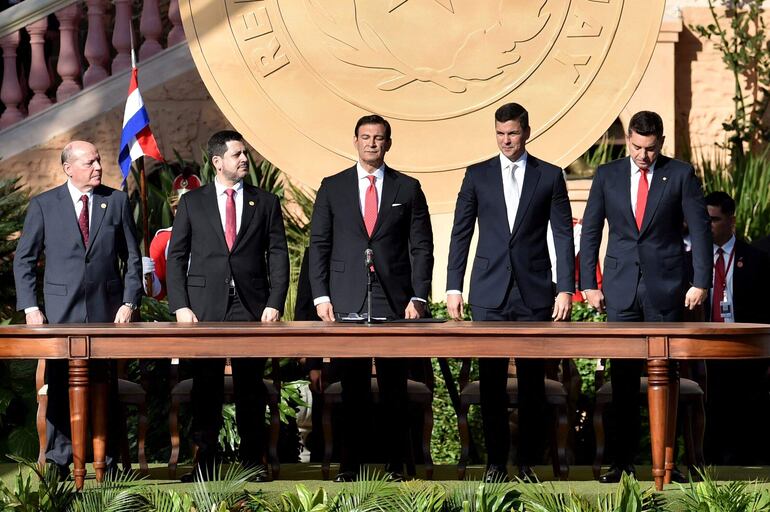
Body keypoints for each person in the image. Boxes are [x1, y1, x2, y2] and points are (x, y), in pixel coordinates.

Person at [579, 110, 712, 483]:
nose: (642, 155)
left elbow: (700, 231)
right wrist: (588, 282)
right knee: (621, 379)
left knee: (666, 376)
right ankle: (621, 463)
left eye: (650, 149)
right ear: (629, 139)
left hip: (666, 289)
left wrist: (700, 281)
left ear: (661, 143)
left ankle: (669, 464)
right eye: (636, 146)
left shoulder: (681, 174)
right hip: (620, 289)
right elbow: (591, 230)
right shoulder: (607, 175)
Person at [446, 102, 575, 481]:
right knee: (491, 385)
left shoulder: (549, 176)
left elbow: (564, 236)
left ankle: (527, 464)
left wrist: (565, 288)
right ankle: (495, 464)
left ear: (527, 132)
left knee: (534, 385)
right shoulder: (477, 175)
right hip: (489, 293)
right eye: (501, 133)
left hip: (535, 293)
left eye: (513, 133)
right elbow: (460, 234)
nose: (507, 140)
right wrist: (454, 286)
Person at [308, 114, 434, 482]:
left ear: (388, 143)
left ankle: (397, 466)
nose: (371, 144)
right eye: (365, 137)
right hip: (346, 298)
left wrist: (419, 296)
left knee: (394, 387)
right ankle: (350, 466)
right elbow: (320, 245)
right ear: (355, 141)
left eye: (378, 138)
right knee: (353, 387)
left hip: (394, 299)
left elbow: (422, 246)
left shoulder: (407, 188)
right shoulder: (332, 187)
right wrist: (320, 295)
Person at [13, 140, 143, 478]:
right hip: (59, 313)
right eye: (90, 162)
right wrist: (30, 307)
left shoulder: (115, 201)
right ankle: (59, 459)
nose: (98, 167)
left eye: (98, 161)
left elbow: (132, 258)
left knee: (105, 384)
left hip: (106, 311)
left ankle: (108, 460)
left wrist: (129, 302)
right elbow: (24, 260)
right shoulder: (44, 205)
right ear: (68, 168)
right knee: (58, 383)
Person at [166, 130, 289, 481]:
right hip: (204, 307)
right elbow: (177, 257)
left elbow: (278, 254)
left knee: (251, 388)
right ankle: (204, 466)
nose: (244, 159)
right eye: (237, 154)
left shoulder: (265, 202)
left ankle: (253, 464)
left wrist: (275, 301)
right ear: (218, 161)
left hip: (251, 307)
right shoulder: (193, 202)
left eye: (245, 153)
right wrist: (180, 306)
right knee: (206, 389)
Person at [703, 191, 770, 465]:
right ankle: (708, 463)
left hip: (744, 349)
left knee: (745, 410)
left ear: (731, 221)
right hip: (704, 348)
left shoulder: (756, 258)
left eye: (714, 220)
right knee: (711, 410)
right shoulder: (692, 259)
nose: (708, 225)